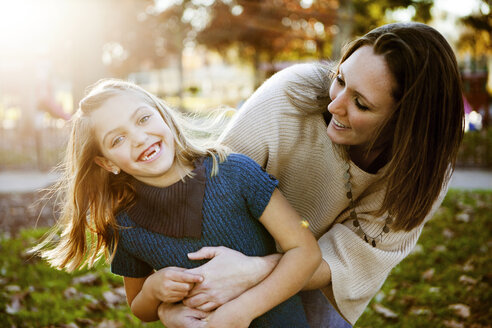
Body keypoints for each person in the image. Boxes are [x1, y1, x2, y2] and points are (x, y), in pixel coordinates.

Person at [155, 22, 465, 327]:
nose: (335, 104)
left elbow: (346, 261)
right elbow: (211, 199)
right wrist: (173, 300)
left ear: (406, 124)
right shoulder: (289, 96)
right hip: (229, 250)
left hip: (317, 279)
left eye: (360, 103)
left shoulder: (423, 173)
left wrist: (256, 272)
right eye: (340, 80)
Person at [32, 79, 322, 327]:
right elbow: (138, 307)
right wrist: (155, 291)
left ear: (163, 114)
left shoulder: (234, 172)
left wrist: (242, 311)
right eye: (118, 139)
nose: (140, 138)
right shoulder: (124, 224)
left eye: (143, 119)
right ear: (107, 163)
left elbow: (306, 252)